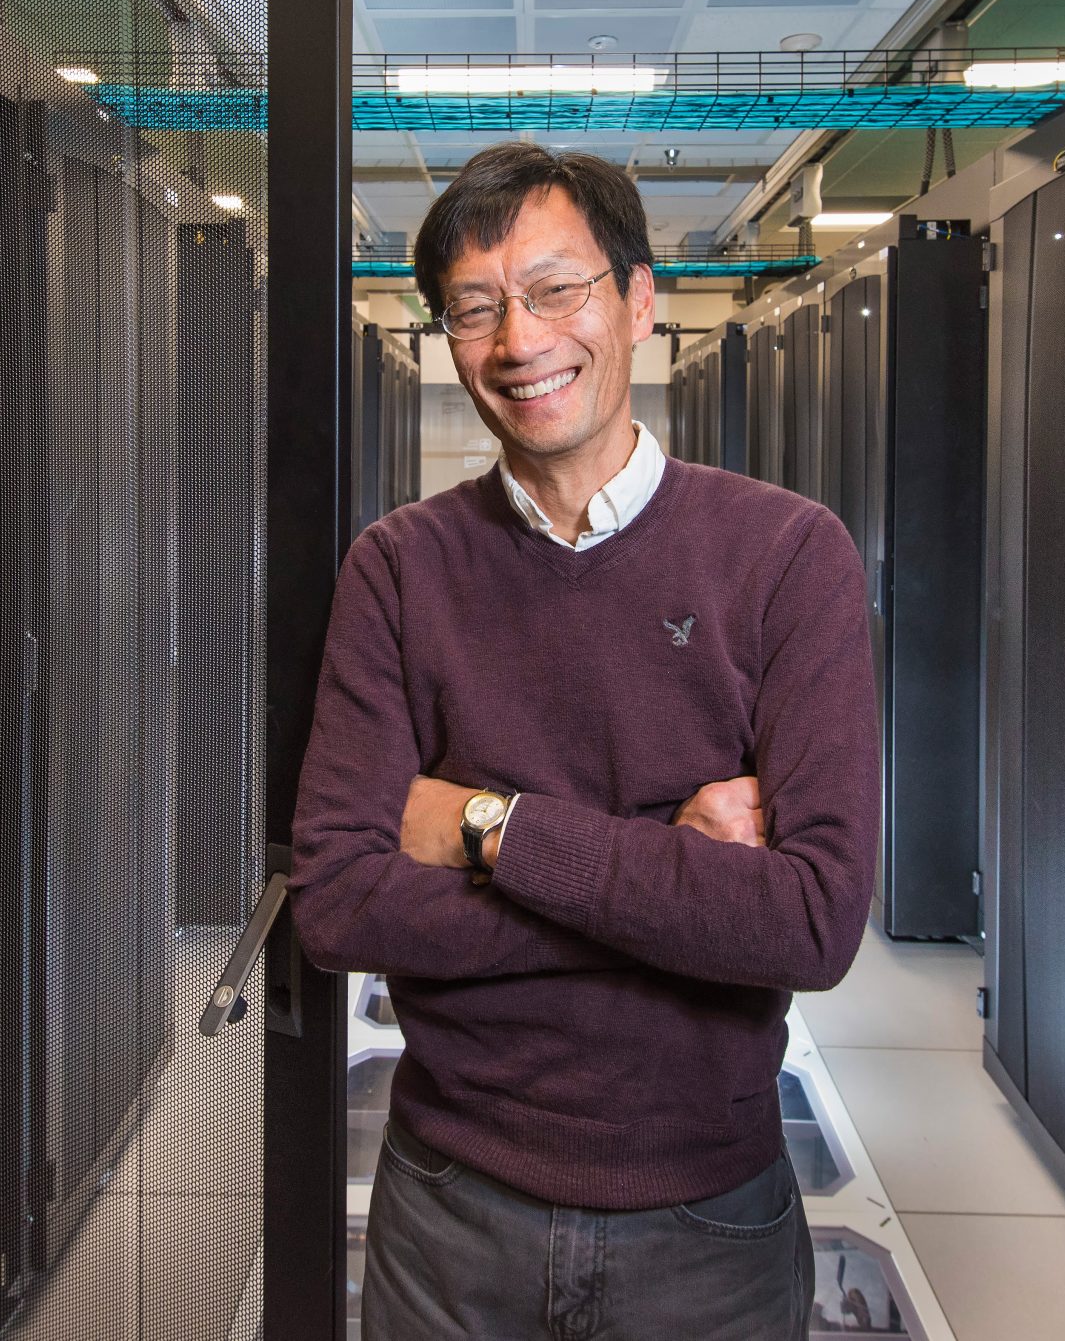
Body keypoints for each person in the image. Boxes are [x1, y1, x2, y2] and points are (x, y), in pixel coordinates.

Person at [290, 141, 882, 1339]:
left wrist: (484, 824)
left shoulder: (784, 556)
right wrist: (672, 877)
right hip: (450, 1202)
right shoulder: (399, 568)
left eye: (556, 289)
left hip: (708, 1215)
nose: (518, 339)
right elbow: (340, 903)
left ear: (639, 300)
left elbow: (810, 922)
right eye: (473, 307)